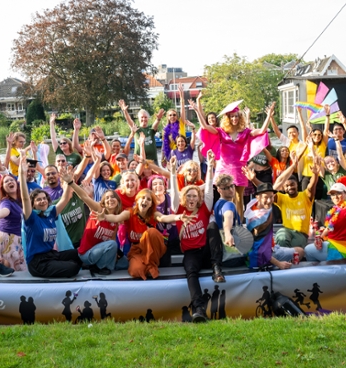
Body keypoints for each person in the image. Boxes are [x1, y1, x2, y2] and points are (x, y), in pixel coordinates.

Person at [194, 96, 273, 220]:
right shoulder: (221, 131)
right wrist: (197, 110)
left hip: (239, 168)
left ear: (240, 117)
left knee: (239, 197)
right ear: (228, 118)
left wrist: (268, 115)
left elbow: (262, 130)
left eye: (236, 116)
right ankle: (224, 220)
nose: (234, 118)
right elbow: (205, 127)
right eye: (232, 116)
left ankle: (239, 224)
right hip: (224, 167)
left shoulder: (245, 132)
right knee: (223, 196)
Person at [169, 153, 223, 322]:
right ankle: (199, 309)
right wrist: (171, 173)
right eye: (189, 196)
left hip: (207, 252)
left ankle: (216, 267)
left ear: (199, 199)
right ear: (185, 198)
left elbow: (208, 189)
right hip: (191, 253)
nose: (192, 198)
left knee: (213, 227)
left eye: (195, 196)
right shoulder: (179, 211)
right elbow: (173, 197)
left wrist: (210, 167)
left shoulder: (204, 209)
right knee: (191, 271)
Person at [95, 189, 191, 280]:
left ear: (151, 204)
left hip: (154, 248)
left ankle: (151, 264)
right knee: (135, 271)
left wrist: (179, 217)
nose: (145, 201)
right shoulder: (130, 212)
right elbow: (117, 218)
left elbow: (164, 218)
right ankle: (149, 267)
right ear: (137, 200)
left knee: (151, 232)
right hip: (137, 250)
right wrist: (105, 217)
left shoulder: (154, 214)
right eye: (143, 198)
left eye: (148, 199)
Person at [20, 154, 83, 278]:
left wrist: (69, 181)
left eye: (44, 198)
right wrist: (22, 176)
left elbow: (65, 199)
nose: (42, 201)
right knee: (73, 267)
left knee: (79, 253)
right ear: (33, 204)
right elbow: (25, 198)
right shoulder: (31, 218)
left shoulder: (50, 214)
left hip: (51, 255)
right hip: (38, 263)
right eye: (38, 200)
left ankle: (58, 265)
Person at [245, 145, 311, 259]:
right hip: (264, 255)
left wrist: (293, 165)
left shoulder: (266, 203)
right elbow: (260, 248)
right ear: (258, 197)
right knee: (284, 238)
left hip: (274, 248)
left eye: (271, 197)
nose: (270, 200)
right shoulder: (254, 212)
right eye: (266, 197)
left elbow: (278, 181)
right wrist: (278, 263)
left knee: (298, 250)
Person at [68, 182, 122, 275]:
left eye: (113, 197)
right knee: (112, 245)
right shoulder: (98, 209)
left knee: (124, 263)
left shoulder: (116, 219)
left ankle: (103, 265)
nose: (110, 199)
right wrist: (71, 183)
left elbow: (112, 239)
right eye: (107, 198)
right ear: (103, 202)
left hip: (101, 252)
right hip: (86, 254)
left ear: (117, 201)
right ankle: (96, 267)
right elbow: (84, 197)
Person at [305, 183, 346, 261]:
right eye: (333, 194)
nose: (335, 197)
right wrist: (321, 237)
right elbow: (330, 227)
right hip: (338, 244)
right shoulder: (336, 208)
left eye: (339, 193)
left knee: (307, 250)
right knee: (312, 247)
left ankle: (318, 272)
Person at [0, 173, 26, 271]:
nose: (9, 182)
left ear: (16, 184)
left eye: (11, 180)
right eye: (6, 181)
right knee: (13, 269)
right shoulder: (5, 202)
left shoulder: (21, 201)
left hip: (19, 237)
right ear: (3, 188)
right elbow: (5, 211)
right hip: (8, 239)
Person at [161, 84, 195, 166]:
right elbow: (164, 145)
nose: (172, 116)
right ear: (168, 117)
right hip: (172, 154)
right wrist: (163, 158)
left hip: (183, 151)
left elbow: (183, 111)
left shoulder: (181, 124)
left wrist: (181, 97)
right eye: (170, 115)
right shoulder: (165, 130)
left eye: (174, 115)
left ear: (177, 116)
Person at [120, 99, 161, 163]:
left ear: (148, 118)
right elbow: (129, 121)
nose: (144, 119)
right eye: (142, 117)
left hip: (152, 160)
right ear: (139, 119)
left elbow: (155, 125)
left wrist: (158, 119)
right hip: (139, 160)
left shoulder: (151, 128)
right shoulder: (136, 129)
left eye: (145, 117)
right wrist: (125, 111)